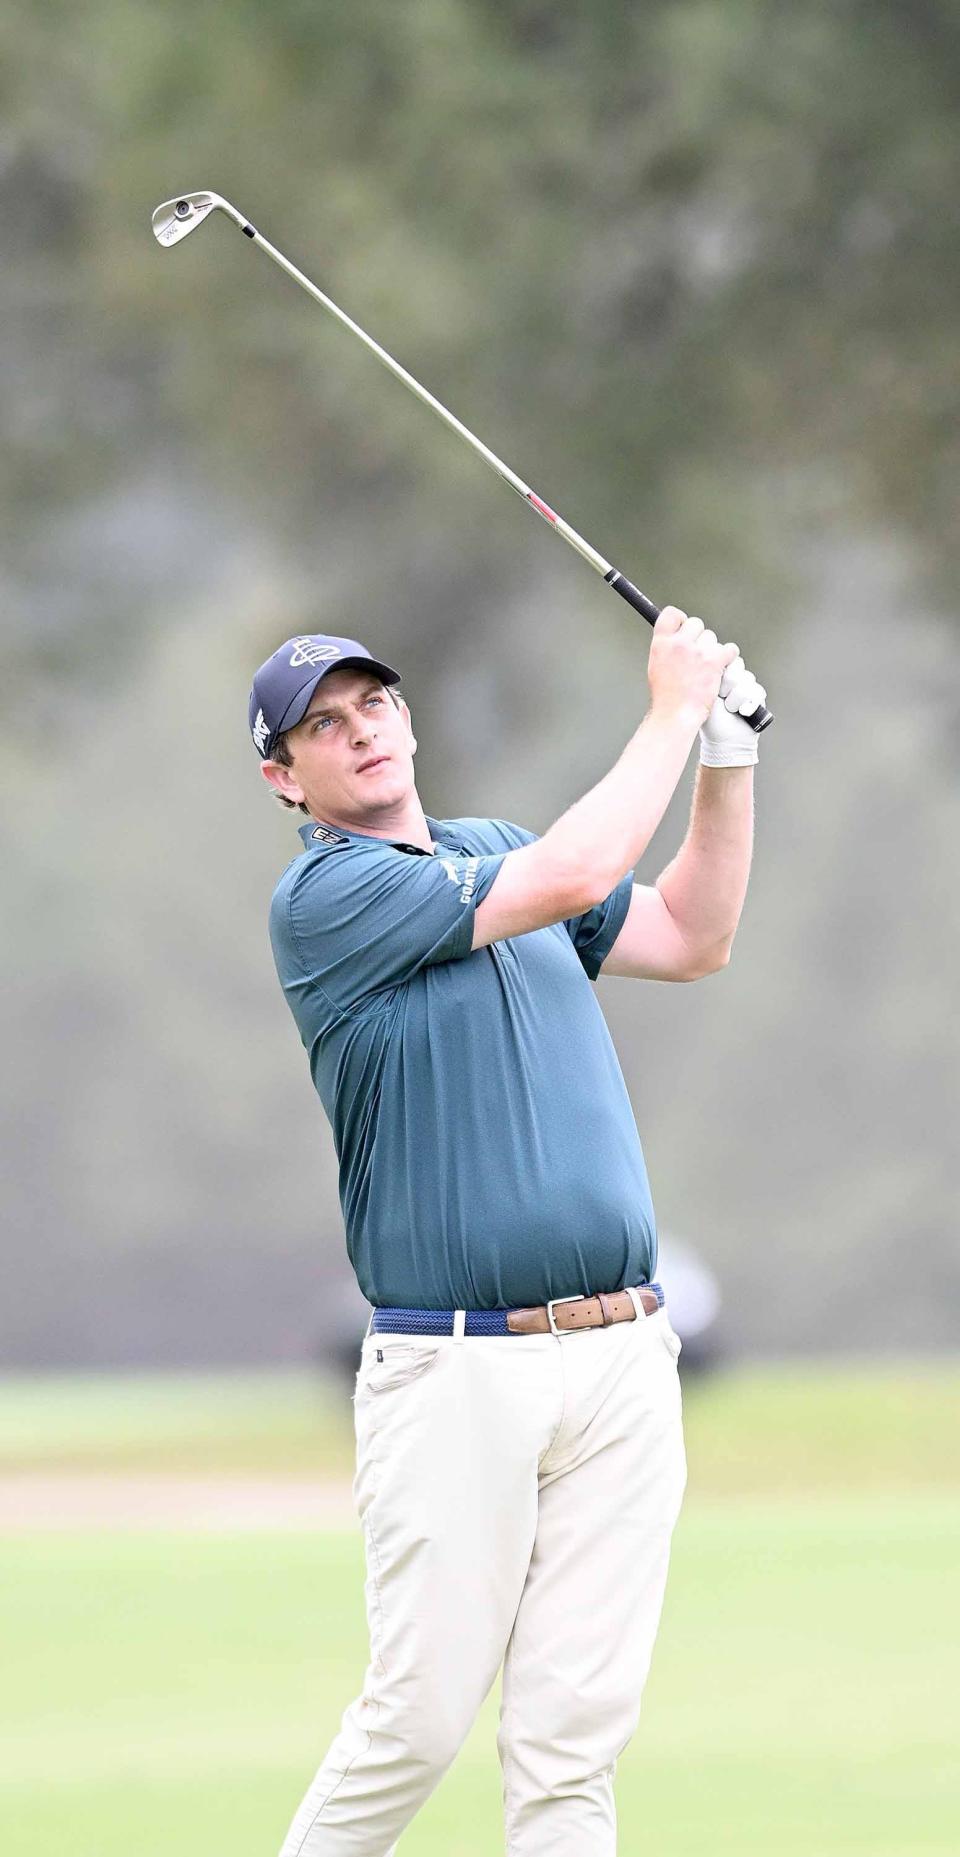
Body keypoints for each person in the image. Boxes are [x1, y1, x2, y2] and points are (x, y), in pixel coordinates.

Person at [249, 611, 764, 1856]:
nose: (358, 728)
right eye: (322, 723)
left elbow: (690, 937)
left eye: (373, 702)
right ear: (284, 777)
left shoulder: (494, 847)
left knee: (571, 1747)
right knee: (415, 1725)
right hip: (458, 1363)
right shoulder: (327, 898)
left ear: (408, 721)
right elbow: (582, 875)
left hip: (625, 1356)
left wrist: (728, 760)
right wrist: (672, 708)